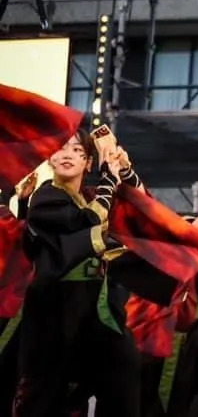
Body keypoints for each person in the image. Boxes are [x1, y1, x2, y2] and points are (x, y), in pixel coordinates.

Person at [14, 130, 142, 416]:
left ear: (88, 162)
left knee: (123, 370)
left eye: (77, 150)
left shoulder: (89, 196)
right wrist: (109, 179)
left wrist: (124, 169)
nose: (67, 155)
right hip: (56, 306)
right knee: (47, 391)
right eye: (60, 149)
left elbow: (138, 203)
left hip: (96, 303)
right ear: (50, 158)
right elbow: (87, 220)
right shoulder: (45, 196)